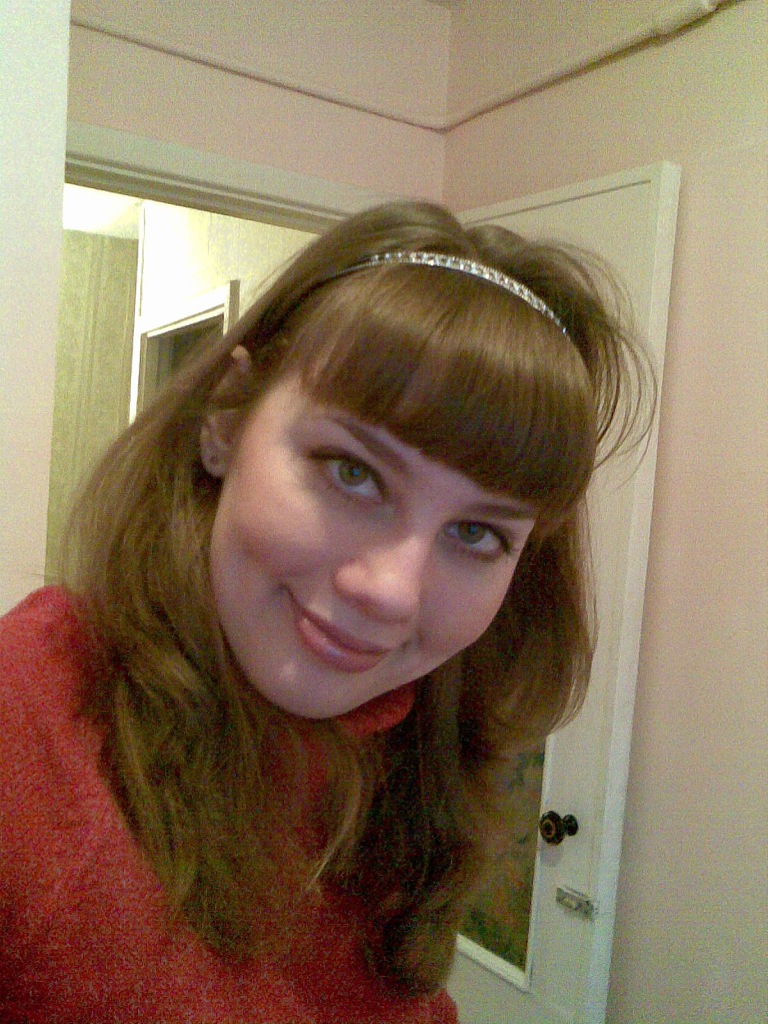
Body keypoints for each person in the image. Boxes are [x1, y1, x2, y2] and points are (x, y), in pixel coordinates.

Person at [0, 201, 651, 1022]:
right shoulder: (28, 719)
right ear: (228, 417)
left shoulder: (409, 776)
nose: (393, 590)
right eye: (353, 472)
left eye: (477, 532)